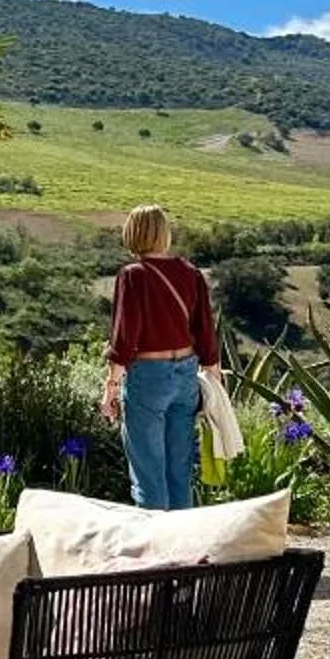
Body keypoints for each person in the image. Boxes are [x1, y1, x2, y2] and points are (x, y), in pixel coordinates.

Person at [103, 205, 222, 509]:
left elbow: (124, 338)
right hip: (186, 375)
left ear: (133, 233)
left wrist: (111, 387)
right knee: (179, 472)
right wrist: (213, 375)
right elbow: (205, 330)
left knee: (148, 475)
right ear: (164, 234)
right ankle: (183, 547)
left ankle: (156, 549)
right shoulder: (190, 273)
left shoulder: (132, 276)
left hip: (148, 376)